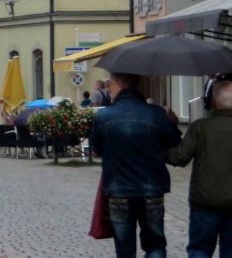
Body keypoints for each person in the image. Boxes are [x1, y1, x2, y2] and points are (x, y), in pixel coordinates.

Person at [91, 73, 182, 258]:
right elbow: (173, 142)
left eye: (110, 84)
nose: (108, 88)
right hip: (151, 189)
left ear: (121, 85)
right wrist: (172, 123)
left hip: (119, 191)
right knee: (155, 244)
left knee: (125, 249)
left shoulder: (104, 116)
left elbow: (97, 149)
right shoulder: (156, 113)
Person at [166, 80, 232, 257]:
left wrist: (171, 127)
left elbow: (179, 158)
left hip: (205, 202)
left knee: (199, 251)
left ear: (213, 102)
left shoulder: (200, 127)